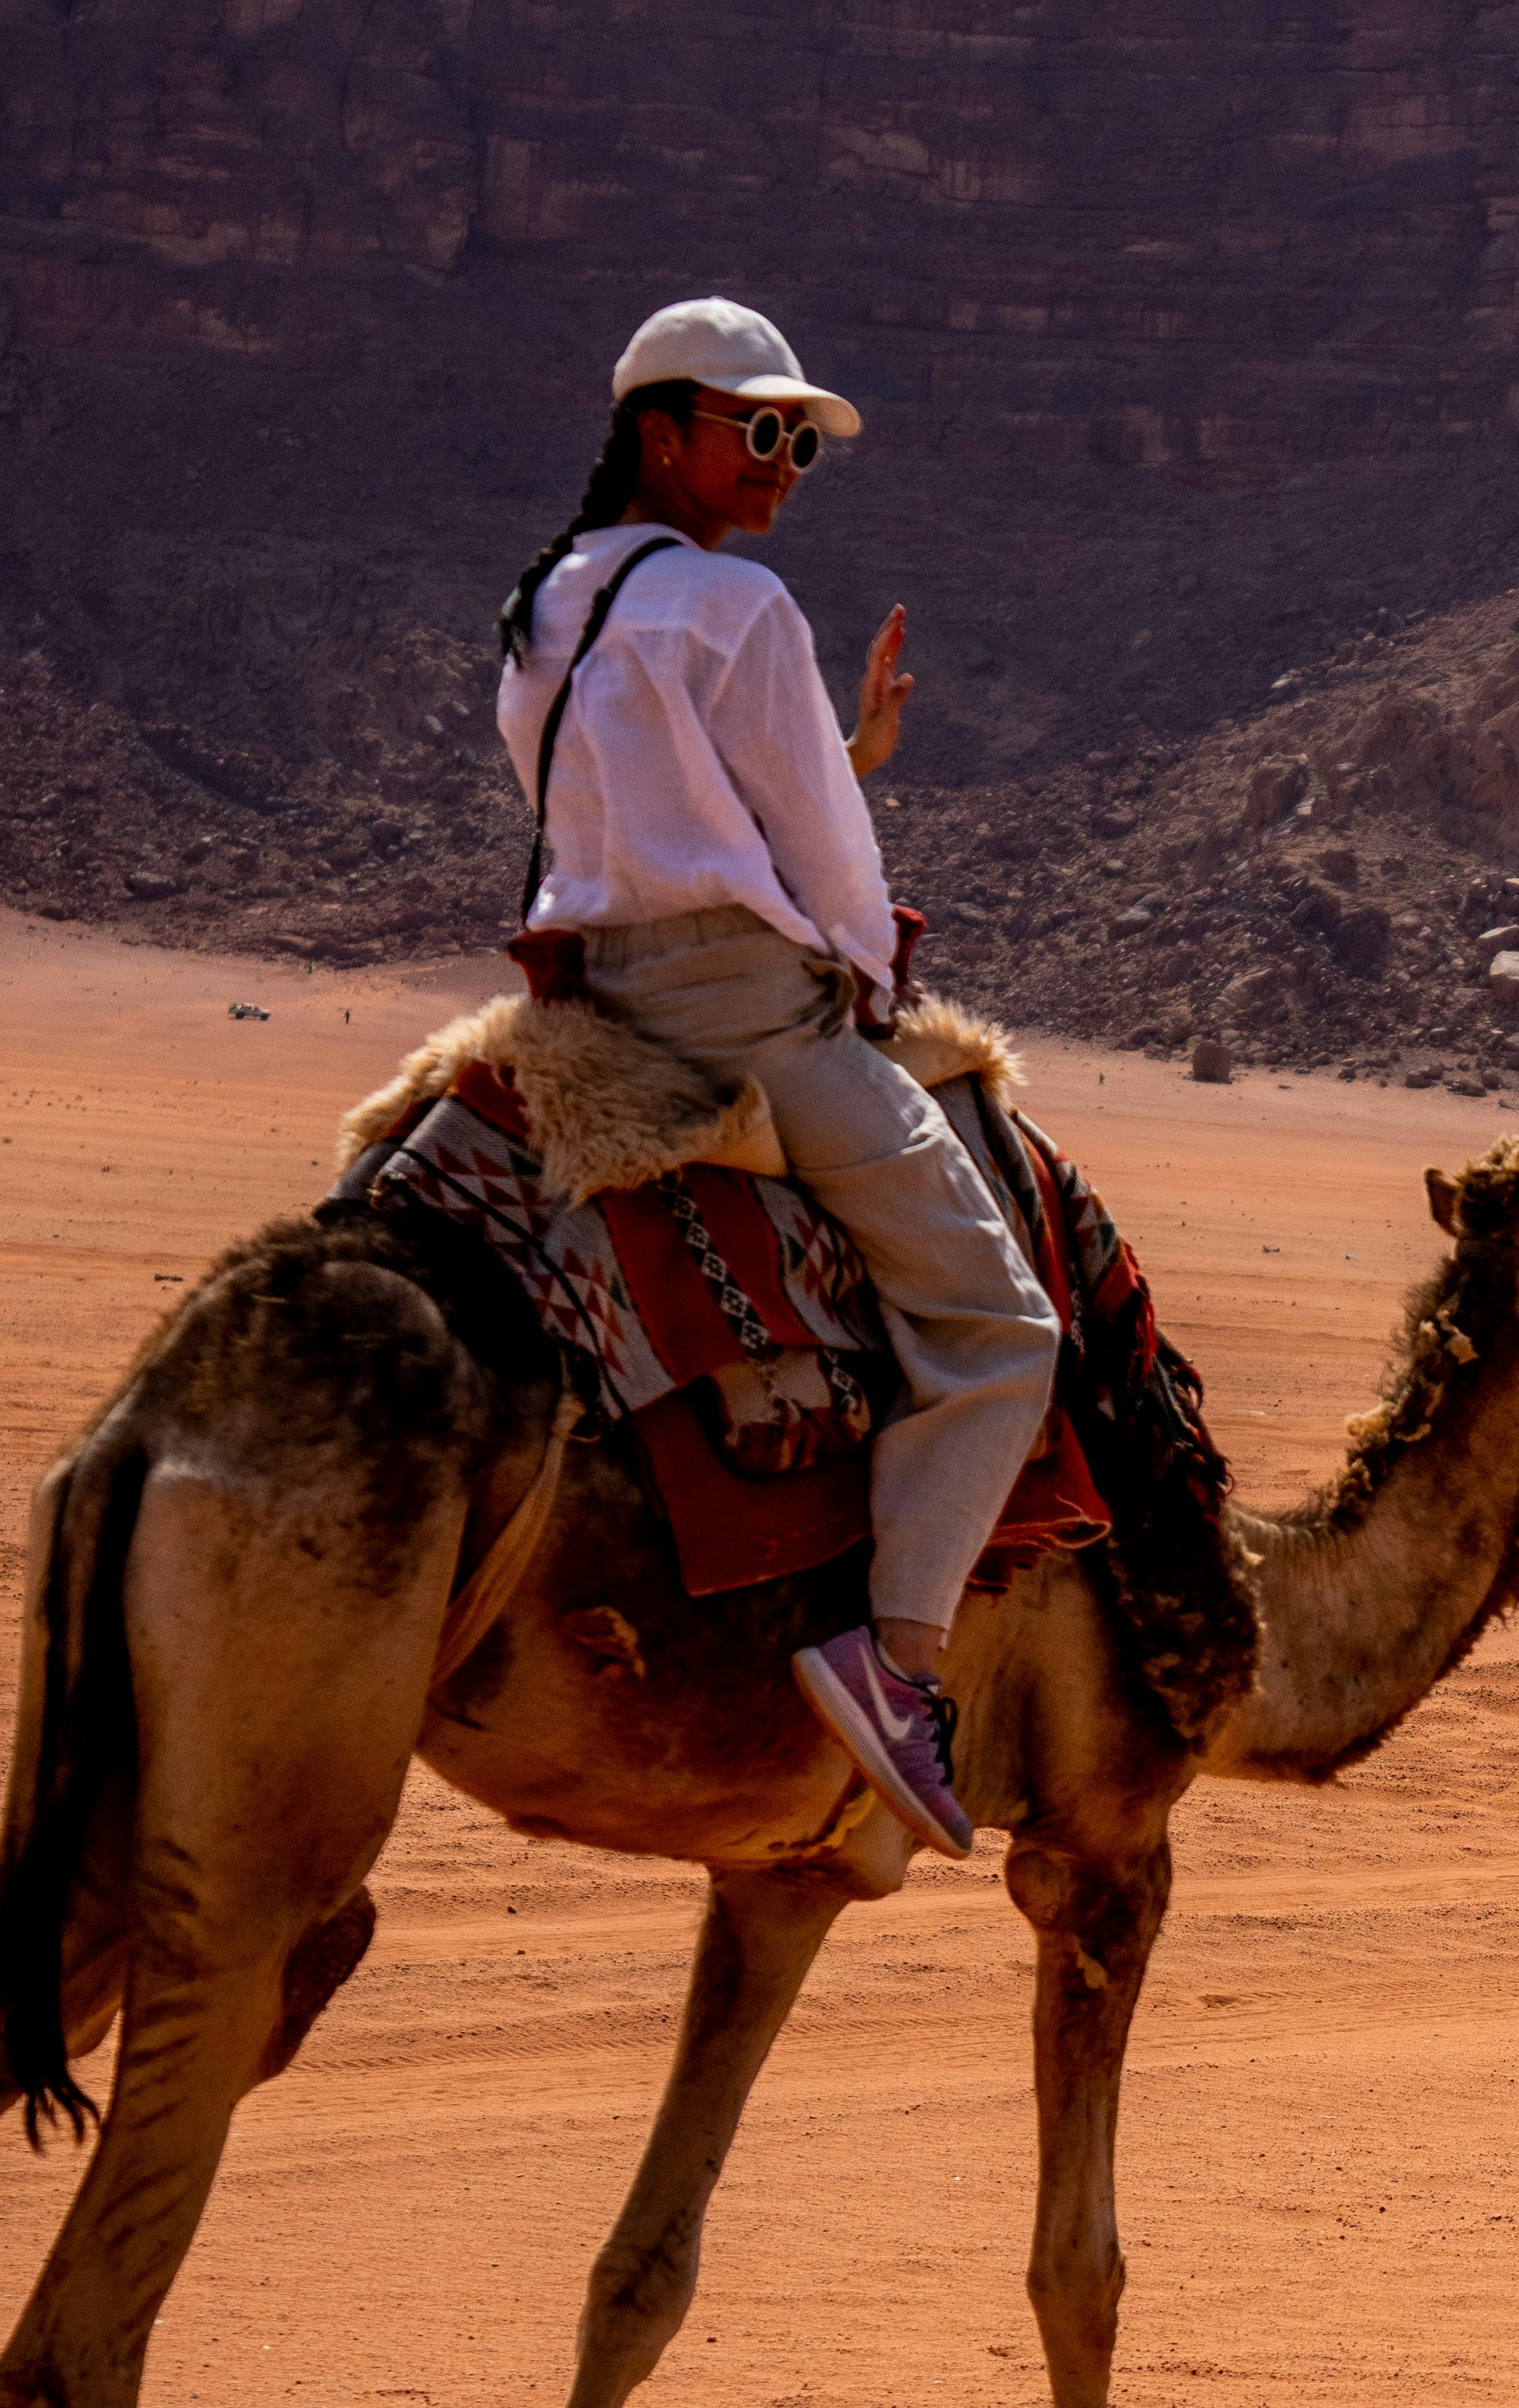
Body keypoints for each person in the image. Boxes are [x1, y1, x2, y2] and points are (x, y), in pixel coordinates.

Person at [492, 296, 1045, 1859]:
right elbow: (827, 862)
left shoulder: (548, 598)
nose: (783, 463)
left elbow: (640, 807)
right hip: (749, 1023)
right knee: (1004, 1325)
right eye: (758, 429)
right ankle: (901, 1655)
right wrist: (866, 974)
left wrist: (845, 753)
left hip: (599, 1003)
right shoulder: (738, 605)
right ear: (662, 433)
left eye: (799, 443)